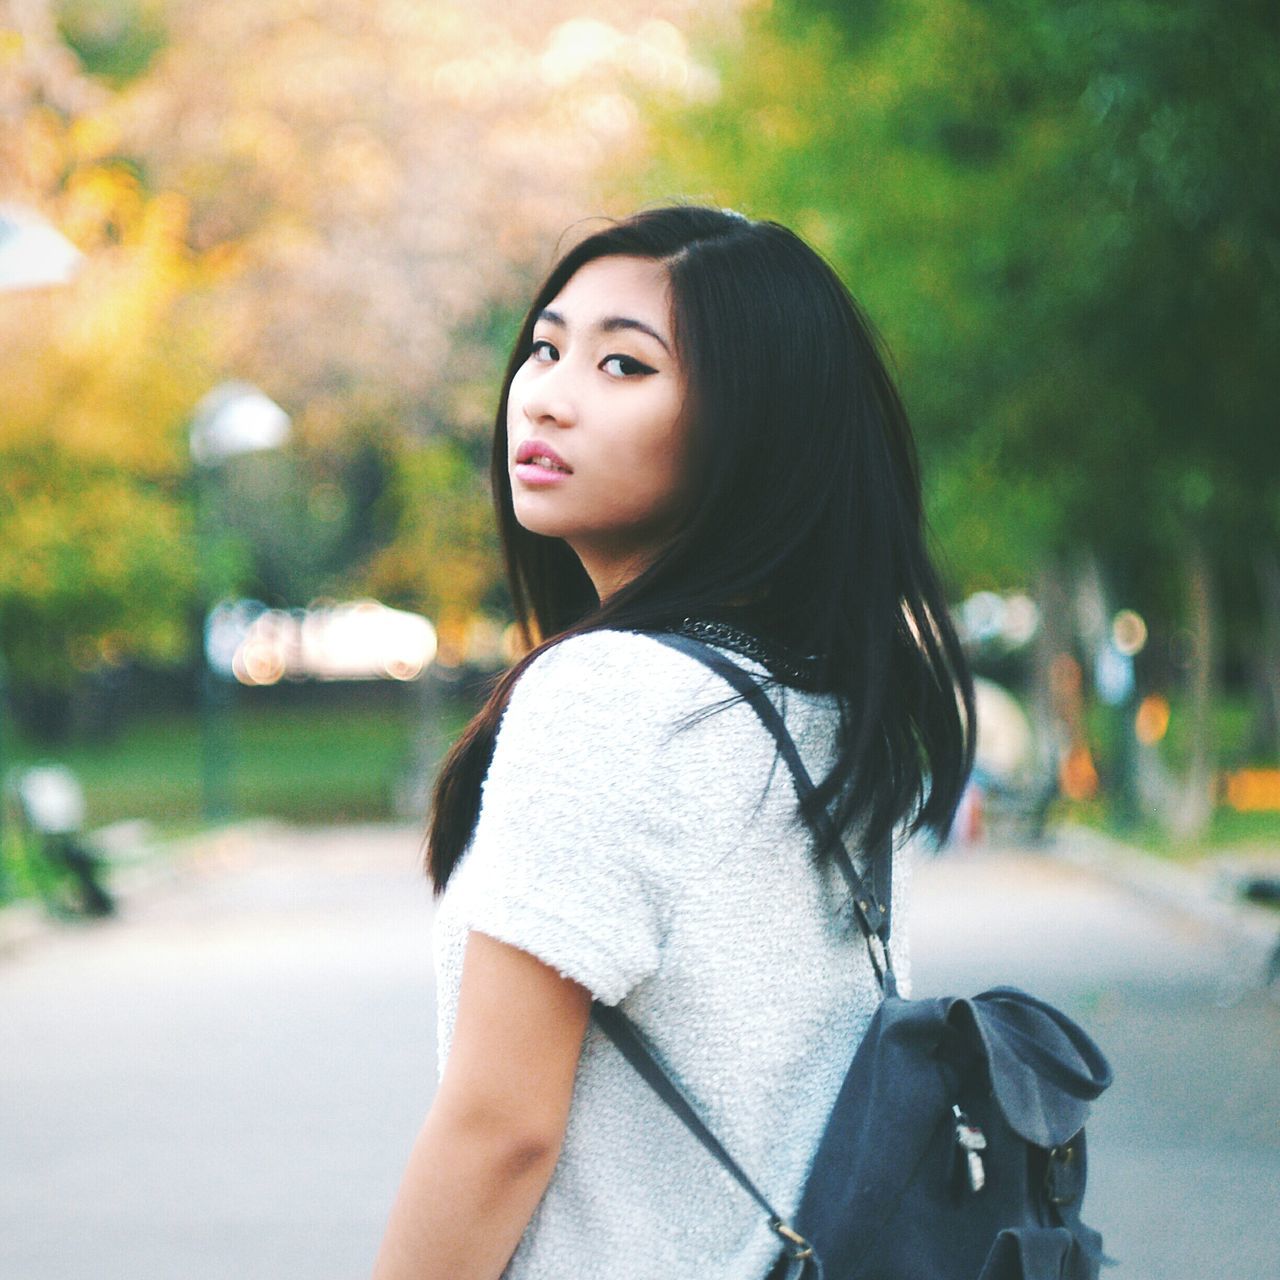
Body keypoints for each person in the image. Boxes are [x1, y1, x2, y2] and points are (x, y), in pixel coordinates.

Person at [371, 205, 974, 1279]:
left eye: (622, 364)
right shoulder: (823, 699)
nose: (546, 392)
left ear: (755, 426)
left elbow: (497, 1130)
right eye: (546, 347)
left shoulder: (611, 695)